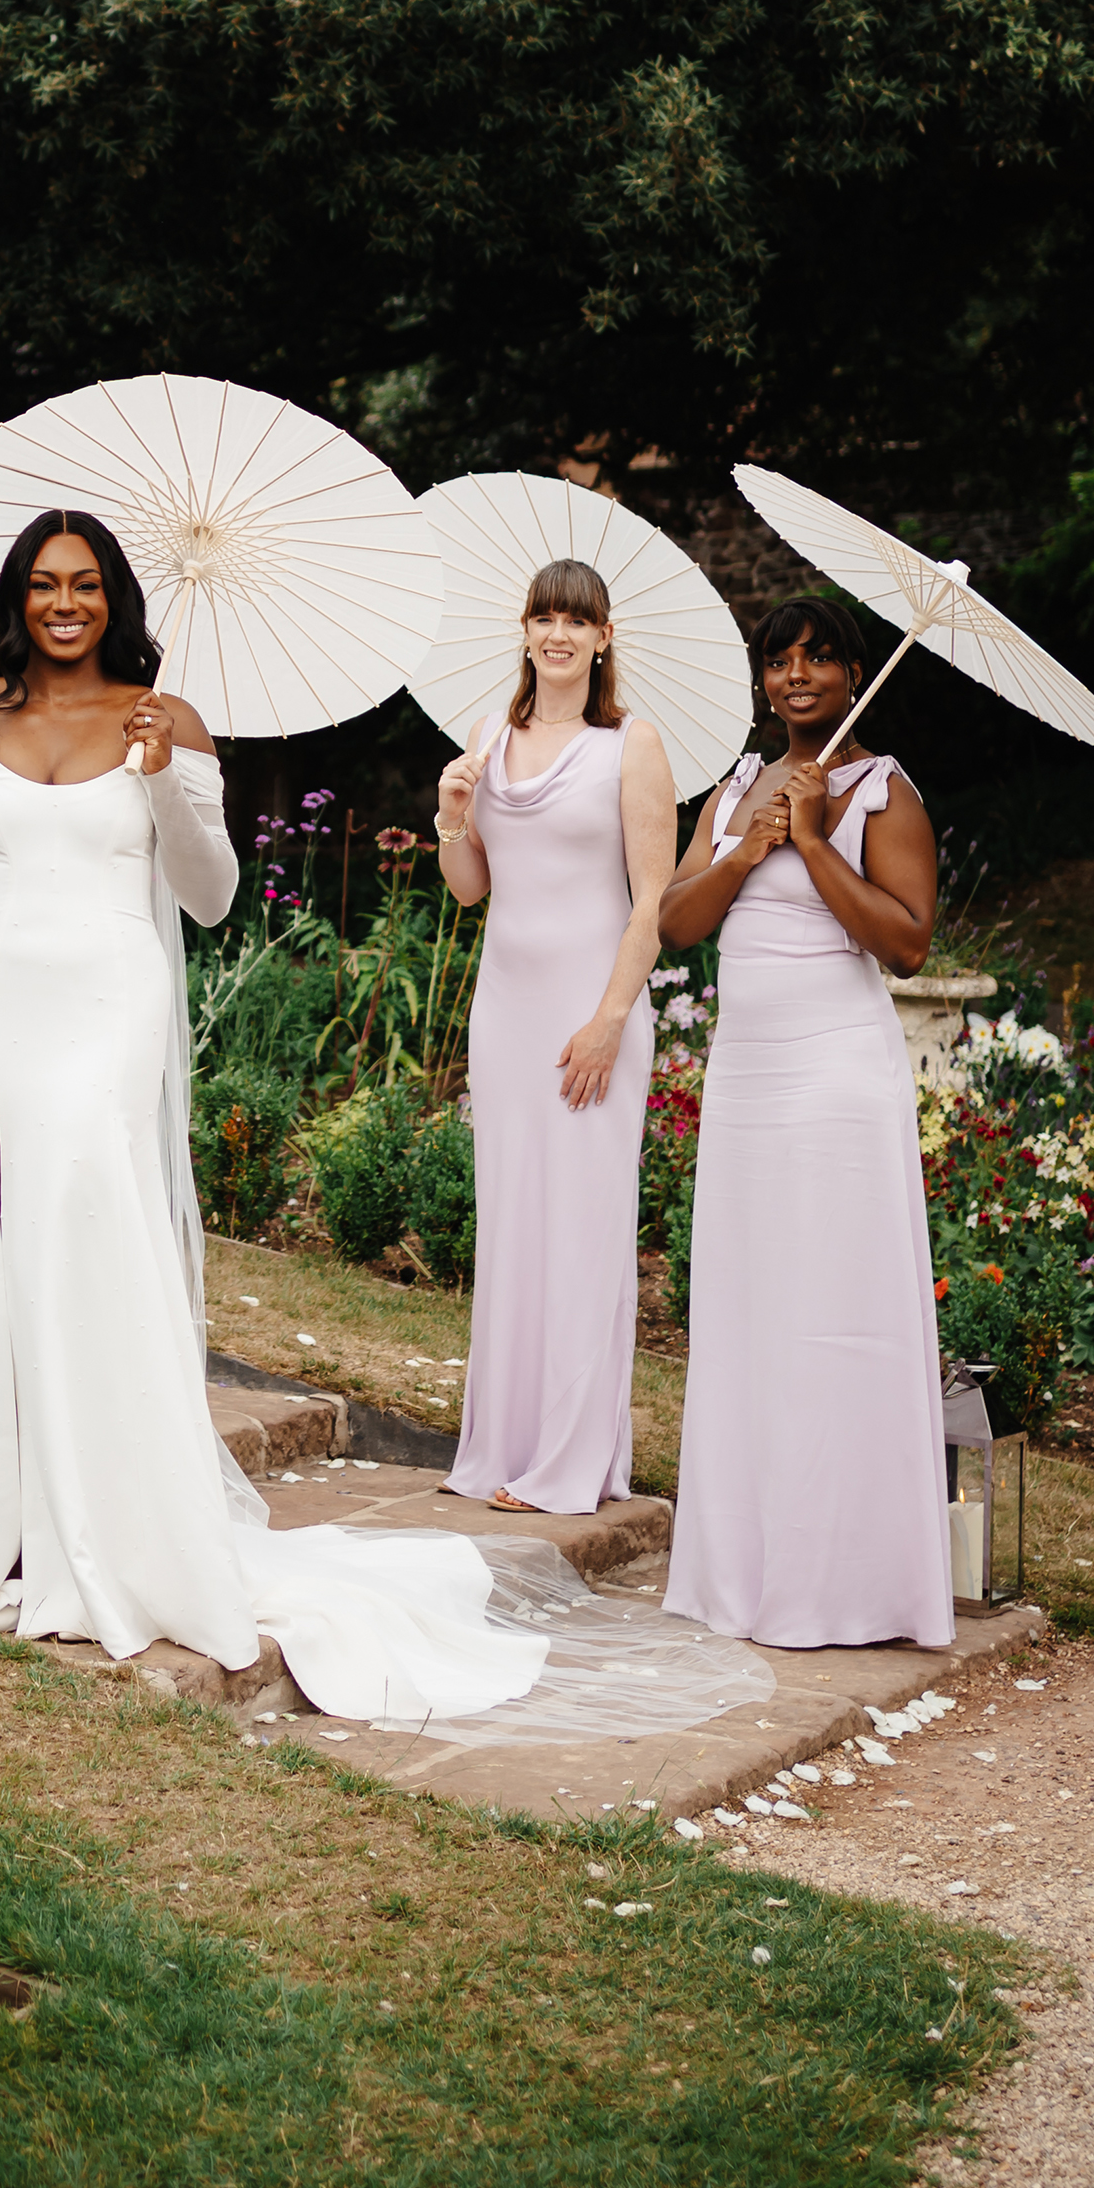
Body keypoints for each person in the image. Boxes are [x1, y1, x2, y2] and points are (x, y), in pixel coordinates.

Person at [0, 511, 551, 1725]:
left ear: (114, 601)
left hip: (108, 1000)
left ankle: (110, 1524)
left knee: (87, 1220)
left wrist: (168, 786)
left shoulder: (170, 721)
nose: (63, 603)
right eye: (44, 584)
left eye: (85, 585)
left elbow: (208, 899)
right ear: (15, 595)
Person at [658, 595, 953, 1651]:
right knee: (751, 1309)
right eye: (778, 660)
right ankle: (749, 1565)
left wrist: (819, 841)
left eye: (818, 659)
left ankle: (849, 1581)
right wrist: (744, 847)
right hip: (746, 1082)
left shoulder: (885, 790)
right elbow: (677, 921)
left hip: (836, 1084)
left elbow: (907, 945)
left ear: (851, 673)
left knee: (834, 1310)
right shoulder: (736, 784)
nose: (796, 676)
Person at [432, 560, 677, 1517]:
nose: (558, 634)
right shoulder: (487, 736)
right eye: (543, 617)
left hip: (593, 1014)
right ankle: (504, 1445)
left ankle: (572, 1463)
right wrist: (453, 816)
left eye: (576, 619)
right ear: (525, 629)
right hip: (506, 1014)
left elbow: (650, 901)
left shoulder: (632, 745)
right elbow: (467, 887)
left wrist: (609, 1020)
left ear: (603, 637)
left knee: (581, 1230)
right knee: (514, 1227)